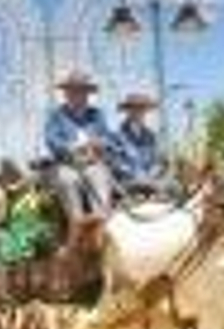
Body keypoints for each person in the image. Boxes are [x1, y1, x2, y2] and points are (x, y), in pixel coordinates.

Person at [42, 70, 115, 236]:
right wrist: (72, 147)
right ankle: (77, 224)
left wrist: (100, 143)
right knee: (68, 180)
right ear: (67, 94)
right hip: (68, 164)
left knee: (100, 177)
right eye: (74, 91)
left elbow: (108, 138)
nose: (79, 95)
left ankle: (101, 225)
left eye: (82, 91)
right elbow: (51, 139)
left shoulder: (97, 115)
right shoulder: (56, 115)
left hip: (92, 163)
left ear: (88, 94)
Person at [107, 91, 169, 198]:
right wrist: (137, 176)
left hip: (151, 181)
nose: (138, 112)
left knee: (172, 186)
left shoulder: (151, 137)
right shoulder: (116, 136)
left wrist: (151, 174)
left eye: (141, 108)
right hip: (128, 182)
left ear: (145, 111)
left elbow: (158, 161)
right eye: (134, 108)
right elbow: (116, 163)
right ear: (127, 111)